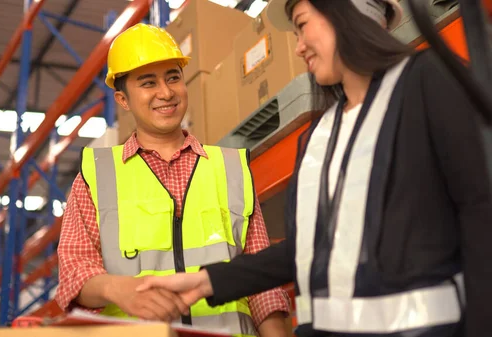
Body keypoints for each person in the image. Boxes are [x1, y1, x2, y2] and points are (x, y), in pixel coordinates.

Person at [136, 1, 492, 337]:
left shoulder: (429, 83)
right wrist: (206, 282)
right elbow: (309, 249)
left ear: (350, 12)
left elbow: (482, 216)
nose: (298, 47)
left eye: (303, 26)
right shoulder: (319, 136)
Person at [54, 23, 292, 337]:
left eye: (173, 78)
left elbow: (262, 284)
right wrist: (119, 290)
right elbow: (73, 273)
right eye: (148, 83)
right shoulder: (96, 176)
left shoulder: (231, 168)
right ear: (123, 100)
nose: (166, 93)